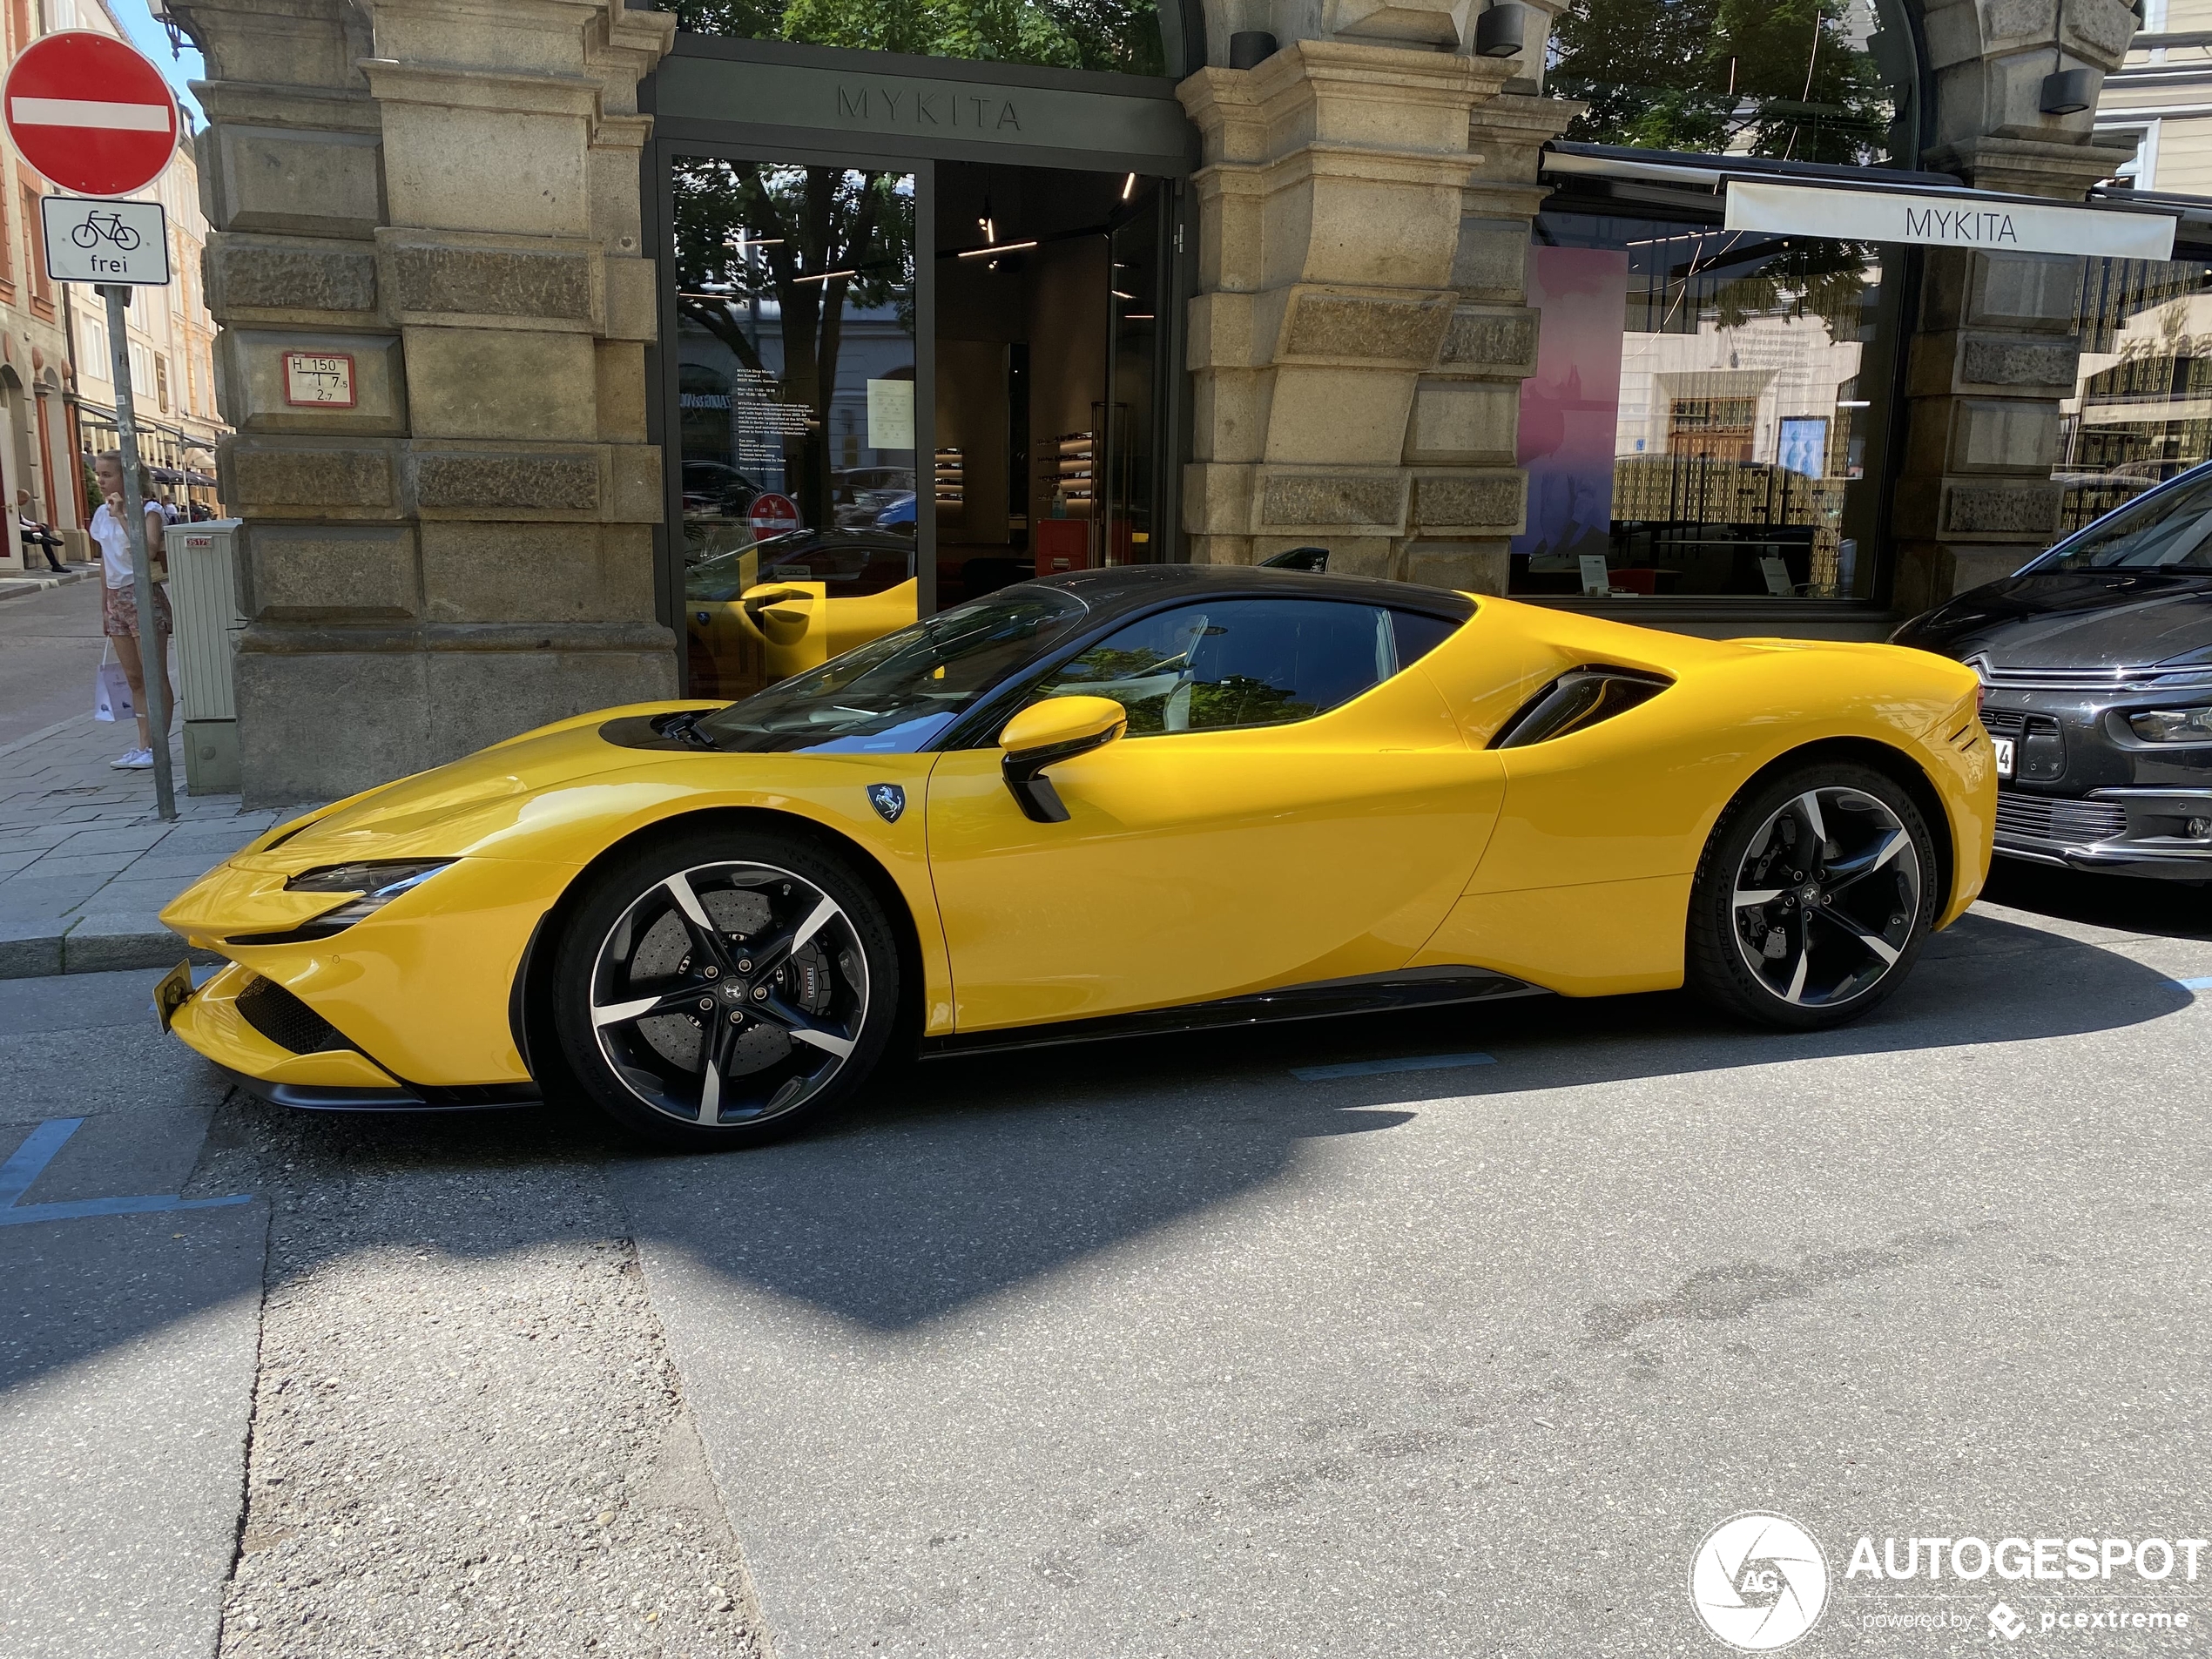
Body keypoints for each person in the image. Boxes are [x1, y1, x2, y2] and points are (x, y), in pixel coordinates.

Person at [90, 450, 172, 772]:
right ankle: (143, 745)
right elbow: (104, 563)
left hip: (142, 596)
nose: (100, 480)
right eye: (98, 474)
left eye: (107, 474)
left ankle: (158, 745)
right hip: (116, 599)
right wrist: (104, 608)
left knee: (154, 675)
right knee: (134, 678)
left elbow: (148, 550)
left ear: (127, 476)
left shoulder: (149, 511)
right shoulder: (100, 514)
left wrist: (124, 516)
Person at [15, 488, 64, 574]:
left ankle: (46, 538)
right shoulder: (9, 507)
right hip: (18, 532)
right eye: (24, 501)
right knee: (45, 542)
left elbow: (22, 519)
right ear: (18, 498)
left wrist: (35, 524)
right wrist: (30, 529)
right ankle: (55, 564)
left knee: (44, 526)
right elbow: (13, 525)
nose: (25, 503)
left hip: (23, 528)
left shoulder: (16, 507)